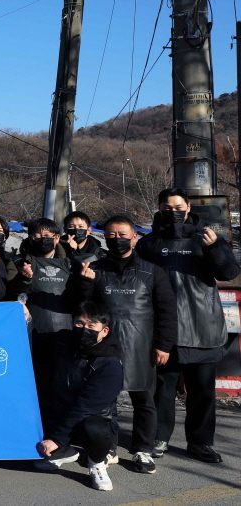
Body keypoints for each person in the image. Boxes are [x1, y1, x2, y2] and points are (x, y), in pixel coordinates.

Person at [66, 215, 177, 473]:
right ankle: (108, 447)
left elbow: (167, 311)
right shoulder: (95, 269)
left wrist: (164, 345)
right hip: (105, 345)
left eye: (123, 234)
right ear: (104, 237)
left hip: (143, 344)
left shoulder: (152, 271)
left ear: (134, 236)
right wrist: (84, 283)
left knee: (144, 399)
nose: (118, 239)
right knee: (106, 401)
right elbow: (81, 308)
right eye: (112, 235)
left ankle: (142, 450)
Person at [136, 188, 240, 464]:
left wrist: (215, 247)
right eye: (167, 207)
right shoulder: (148, 244)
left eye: (178, 206)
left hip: (202, 325)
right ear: (159, 208)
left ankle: (201, 442)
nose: (173, 211)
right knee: (161, 389)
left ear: (188, 206)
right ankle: (158, 438)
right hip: (163, 329)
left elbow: (229, 273)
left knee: (203, 392)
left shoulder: (206, 237)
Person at [34, 302, 123, 493]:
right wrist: (23, 317)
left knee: (95, 429)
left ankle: (97, 462)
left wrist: (56, 439)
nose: (84, 330)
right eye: (80, 324)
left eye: (92, 326)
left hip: (89, 420)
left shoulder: (110, 366)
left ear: (105, 331)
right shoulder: (63, 341)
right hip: (57, 413)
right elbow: (33, 338)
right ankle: (65, 451)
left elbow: (85, 408)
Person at [5, 217, 71, 401]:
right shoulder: (17, 263)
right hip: (30, 333)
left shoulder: (70, 264)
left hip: (65, 331)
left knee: (62, 386)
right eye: (38, 235)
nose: (44, 239)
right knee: (35, 385)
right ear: (30, 238)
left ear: (57, 238)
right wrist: (24, 279)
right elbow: (9, 295)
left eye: (48, 235)